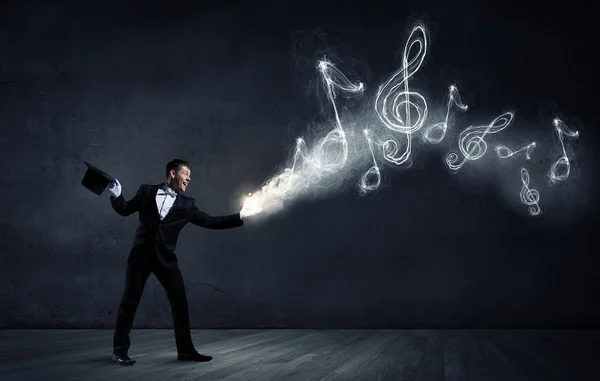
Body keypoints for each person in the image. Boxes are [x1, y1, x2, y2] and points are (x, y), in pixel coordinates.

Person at [107, 159, 253, 366]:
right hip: (139, 258)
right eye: (186, 174)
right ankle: (119, 351)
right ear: (173, 173)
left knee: (180, 304)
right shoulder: (147, 191)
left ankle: (185, 351)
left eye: (190, 176)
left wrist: (240, 217)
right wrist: (117, 193)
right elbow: (124, 209)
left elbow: (210, 222)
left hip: (165, 260)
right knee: (128, 305)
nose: (189, 179)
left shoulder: (187, 205)